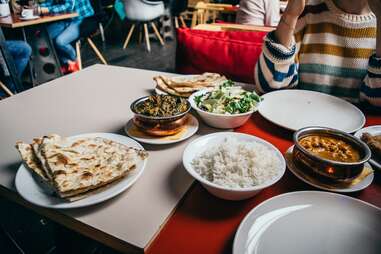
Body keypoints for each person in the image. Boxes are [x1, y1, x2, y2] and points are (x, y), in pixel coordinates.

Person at [254, 0, 381, 108]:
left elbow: (376, 104)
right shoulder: (307, 9)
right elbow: (268, 86)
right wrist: (290, 15)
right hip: (298, 125)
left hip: (360, 134)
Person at [39, 0, 94, 73]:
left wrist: (46, 9)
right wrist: (37, 8)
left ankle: (74, 61)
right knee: (45, 37)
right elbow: (49, 2)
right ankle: (68, 63)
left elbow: (68, 7)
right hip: (67, 19)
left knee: (60, 41)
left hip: (82, 19)